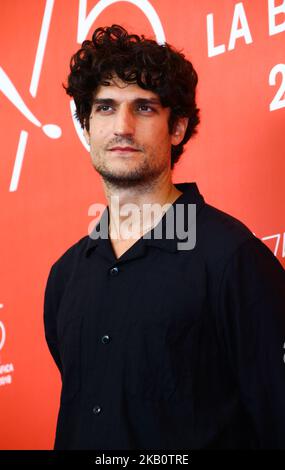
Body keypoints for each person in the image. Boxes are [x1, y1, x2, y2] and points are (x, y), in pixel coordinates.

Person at [44, 24, 285, 450]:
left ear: (177, 129)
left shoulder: (233, 258)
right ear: (86, 127)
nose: (122, 126)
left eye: (144, 108)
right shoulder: (65, 276)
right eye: (104, 108)